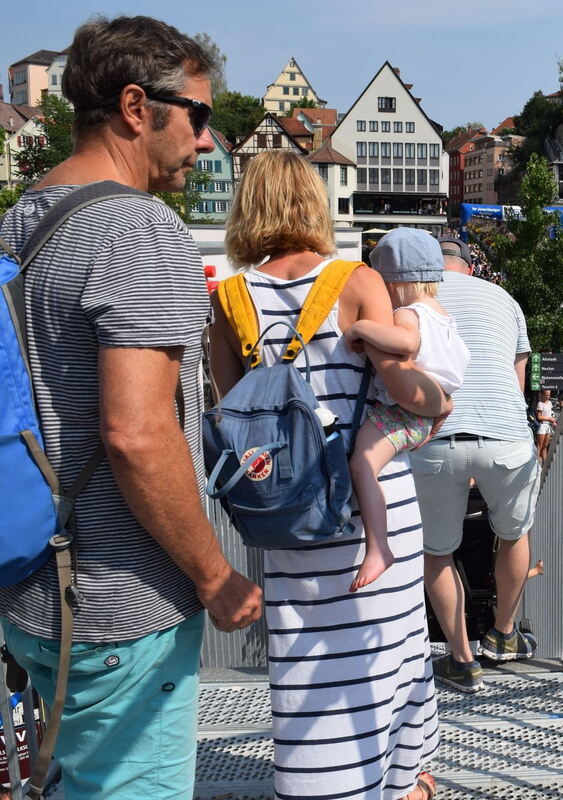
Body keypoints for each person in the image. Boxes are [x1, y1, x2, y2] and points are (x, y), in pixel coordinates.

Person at [0, 18, 264, 800]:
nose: (206, 140)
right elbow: (138, 435)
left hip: (31, 589)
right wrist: (215, 577)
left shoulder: (22, 218)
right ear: (136, 107)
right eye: (198, 114)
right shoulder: (138, 229)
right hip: (121, 606)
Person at [210, 151, 446, 800]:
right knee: (389, 653)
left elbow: (232, 414)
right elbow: (407, 391)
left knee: (308, 658)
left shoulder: (229, 299)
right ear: (313, 204)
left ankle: (322, 782)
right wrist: (443, 398)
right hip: (373, 510)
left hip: (289, 515)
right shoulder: (356, 281)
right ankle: (400, 782)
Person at [412, 236, 541, 694]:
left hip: (436, 436)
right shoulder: (504, 299)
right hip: (506, 436)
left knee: (438, 550)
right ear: (469, 267)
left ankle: (462, 661)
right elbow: (518, 382)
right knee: (513, 534)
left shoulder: (413, 297)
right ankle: (503, 634)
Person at [345, 228, 471, 593]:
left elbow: (406, 342)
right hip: (429, 414)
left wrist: (360, 328)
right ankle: (379, 547)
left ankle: (378, 547)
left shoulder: (408, 313)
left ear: (394, 283)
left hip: (402, 414)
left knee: (361, 466)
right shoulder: (444, 316)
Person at [535, 389, 557, 462]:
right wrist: (550, 419)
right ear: (542, 395)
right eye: (546, 395)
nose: (548, 396)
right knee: (539, 446)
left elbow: (551, 414)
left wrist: (553, 421)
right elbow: (539, 417)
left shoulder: (550, 402)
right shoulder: (540, 404)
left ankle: (544, 464)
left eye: (549, 395)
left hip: (548, 426)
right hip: (542, 425)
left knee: (545, 446)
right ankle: (535, 463)